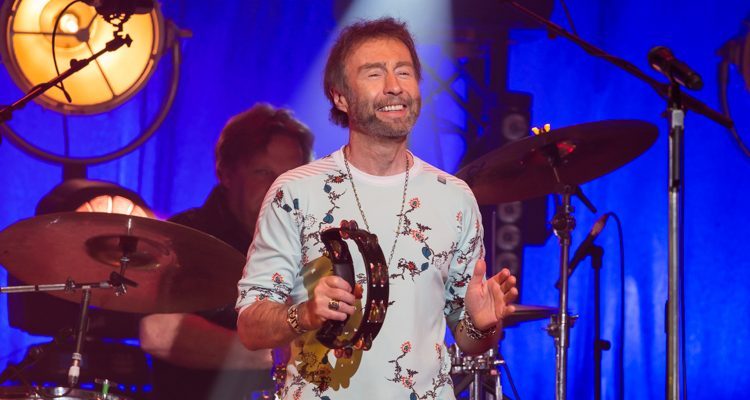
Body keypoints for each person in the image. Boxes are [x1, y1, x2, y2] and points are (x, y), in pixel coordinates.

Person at [236, 18, 518, 399]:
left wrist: (483, 325)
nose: (394, 86)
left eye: (404, 72)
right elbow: (250, 326)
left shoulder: (455, 198)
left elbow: (469, 340)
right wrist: (303, 314)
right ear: (340, 96)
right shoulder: (295, 192)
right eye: (374, 73)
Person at [139, 103, 314, 400]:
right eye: (263, 173)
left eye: (290, 177)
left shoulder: (309, 246)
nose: (279, 189)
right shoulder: (187, 234)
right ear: (227, 173)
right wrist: (277, 355)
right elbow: (156, 332)